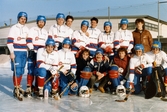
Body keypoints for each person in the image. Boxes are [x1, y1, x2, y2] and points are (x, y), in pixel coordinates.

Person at [7, 12, 29, 100]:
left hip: (24, 52)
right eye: (21, 19)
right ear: (18, 19)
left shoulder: (27, 29)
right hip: (16, 51)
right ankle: (16, 88)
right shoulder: (14, 28)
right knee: (17, 70)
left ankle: (19, 86)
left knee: (22, 70)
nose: (23, 20)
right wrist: (11, 52)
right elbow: (9, 41)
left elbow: (29, 40)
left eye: (24, 19)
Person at [25, 15, 48, 96]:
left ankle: (38, 88)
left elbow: (46, 44)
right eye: (40, 21)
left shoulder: (45, 32)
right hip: (33, 52)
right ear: (37, 22)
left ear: (44, 23)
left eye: (42, 22)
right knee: (31, 69)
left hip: (41, 54)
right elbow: (28, 40)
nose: (41, 23)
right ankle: (29, 86)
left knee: (40, 70)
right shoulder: (32, 29)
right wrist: (31, 49)